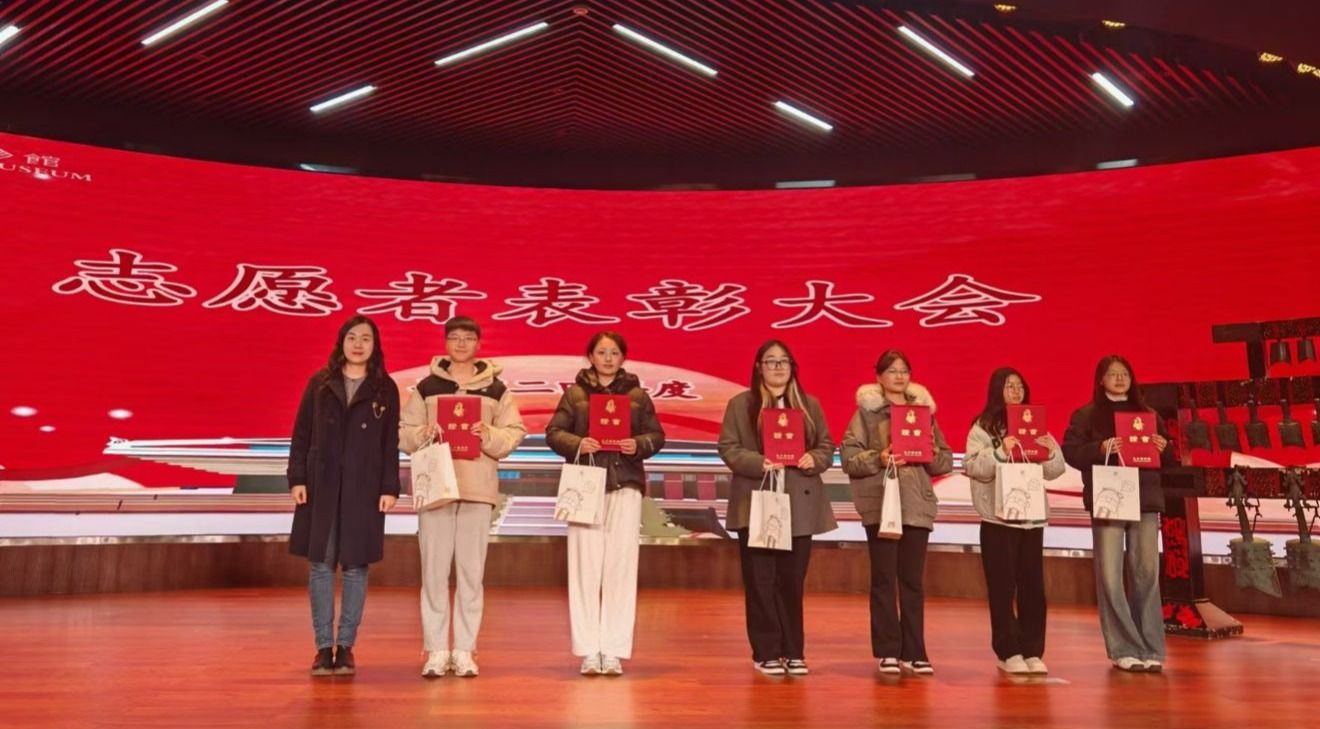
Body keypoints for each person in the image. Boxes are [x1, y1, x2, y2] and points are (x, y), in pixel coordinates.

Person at [399, 317, 526, 678]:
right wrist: (423, 433)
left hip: (476, 489)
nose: (460, 344)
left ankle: (465, 650)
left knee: (471, 575)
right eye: (454, 338)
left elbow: (514, 432)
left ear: (478, 344)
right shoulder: (427, 387)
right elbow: (403, 432)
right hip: (436, 488)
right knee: (434, 574)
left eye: (467, 338)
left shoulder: (496, 389)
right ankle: (437, 650)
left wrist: (487, 435)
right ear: (445, 343)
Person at [545, 331, 666, 676]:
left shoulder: (638, 395)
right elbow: (553, 433)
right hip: (585, 485)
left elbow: (657, 435)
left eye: (614, 352)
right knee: (584, 568)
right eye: (601, 352)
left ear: (623, 357)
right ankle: (588, 650)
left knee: (621, 569)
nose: (608, 358)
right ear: (591, 356)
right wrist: (578, 443)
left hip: (625, 484)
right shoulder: (575, 394)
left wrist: (638, 444)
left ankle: (612, 650)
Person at [287, 315, 400, 677]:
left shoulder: (385, 387)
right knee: (320, 564)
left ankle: (346, 646)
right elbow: (301, 433)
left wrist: (389, 487)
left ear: (374, 345)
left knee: (355, 565)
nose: (358, 344)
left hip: (364, 487)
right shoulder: (320, 383)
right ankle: (323, 647)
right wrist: (297, 477)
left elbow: (390, 444)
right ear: (341, 342)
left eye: (366, 338)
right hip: (320, 485)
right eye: (352, 337)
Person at [717, 340, 836, 676]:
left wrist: (814, 458)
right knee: (760, 581)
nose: (778, 367)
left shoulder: (809, 405)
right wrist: (759, 462)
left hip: (799, 503)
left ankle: (793, 651)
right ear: (759, 367)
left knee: (792, 581)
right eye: (771, 361)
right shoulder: (741, 405)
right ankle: (766, 651)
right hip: (756, 501)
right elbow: (728, 447)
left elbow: (827, 446)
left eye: (784, 361)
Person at [841, 350, 952, 676]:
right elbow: (848, 459)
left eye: (904, 370)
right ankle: (888, 650)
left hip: (916, 504)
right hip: (882, 504)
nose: (899, 376)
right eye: (892, 371)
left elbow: (944, 461)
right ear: (879, 377)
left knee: (912, 581)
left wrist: (929, 449)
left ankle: (915, 651)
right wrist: (880, 456)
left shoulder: (924, 414)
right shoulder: (866, 414)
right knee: (884, 579)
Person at [1063, 355, 1174, 673]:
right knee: (1110, 575)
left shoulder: (1149, 414)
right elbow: (1071, 452)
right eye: (1113, 374)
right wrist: (1100, 449)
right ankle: (1123, 648)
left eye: (1124, 373)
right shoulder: (1086, 415)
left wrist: (1163, 448)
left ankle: (1151, 648)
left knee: (1146, 573)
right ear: (1101, 380)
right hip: (1109, 498)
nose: (1120, 378)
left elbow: (1169, 460)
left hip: (1145, 499)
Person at [962, 367, 1066, 675]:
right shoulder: (982, 427)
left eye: (1020, 386)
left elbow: (1055, 470)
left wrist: (1050, 452)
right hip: (998, 519)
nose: (1016, 391)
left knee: (1033, 586)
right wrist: (999, 451)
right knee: (1002, 587)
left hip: (1031, 518)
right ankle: (1008, 651)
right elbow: (973, 467)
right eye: (1009, 386)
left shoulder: (1035, 425)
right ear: (997, 390)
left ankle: (1033, 649)